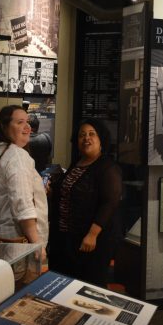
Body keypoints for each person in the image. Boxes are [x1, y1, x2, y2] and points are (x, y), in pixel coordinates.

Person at [47, 119, 122, 286]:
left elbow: (110, 203)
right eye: (82, 135)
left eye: (91, 134)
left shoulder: (108, 167)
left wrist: (92, 235)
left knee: (88, 285)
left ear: (101, 140)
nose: (86, 138)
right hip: (66, 238)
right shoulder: (77, 163)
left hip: (90, 241)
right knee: (63, 284)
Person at [0, 105, 47, 251]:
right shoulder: (16, 156)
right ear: (4, 127)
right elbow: (23, 206)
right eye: (20, 122)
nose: (27, 127)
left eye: (27, 122)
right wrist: (37, 244)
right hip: (14, 246)